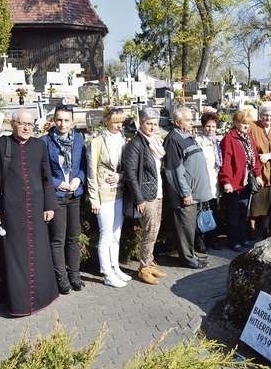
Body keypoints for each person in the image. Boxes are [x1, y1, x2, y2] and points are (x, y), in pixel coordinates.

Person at [0, 109, 59, 316]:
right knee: (15, 257)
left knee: (39, 254)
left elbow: (46, 178)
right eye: (22, 124)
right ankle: (18, 303)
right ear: (12, 124)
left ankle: (42, 298)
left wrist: (49, 205)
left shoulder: (39, 145)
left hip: (36, 210)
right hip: (11, 210)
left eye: (30, 125)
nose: (27, 128)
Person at [41, 105, 86, 294]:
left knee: (73, 238)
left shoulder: (78, 139)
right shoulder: (44, 142)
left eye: (67, 120)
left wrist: (78, 179)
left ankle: (75, 275)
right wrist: (57, 182)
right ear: (53, 120)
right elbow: (41, 170)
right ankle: (62, 278)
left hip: (74, 195)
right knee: (58, 239)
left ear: (72, 122)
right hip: (57, 196)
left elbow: (84, 165)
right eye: (59, 119)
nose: (62, 124)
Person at [163, 107, 214, 268]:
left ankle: (192, 254)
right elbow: (175, 171)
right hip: (186, 196)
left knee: (190, 227)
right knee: (185, 227)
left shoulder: (186, 136)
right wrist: (185, 193)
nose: (192, 122)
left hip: (194, 194)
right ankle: (187, 258)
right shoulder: (173, 140)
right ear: (178, 122)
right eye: (188, 120)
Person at [87, 107, 132, 288]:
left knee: (116, 233)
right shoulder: (97, 141)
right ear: (106, 121)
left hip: (119, 191)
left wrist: (121, 176)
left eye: (120, 121)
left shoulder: (122, 140)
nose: (118, 125)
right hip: (103, 193)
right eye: (115, 122)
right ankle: (106, 273)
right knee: (106, 234)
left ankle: (115, 267)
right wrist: (94, 198)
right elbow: (91, 170)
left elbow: (125, 168)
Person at [122, 108, 167, 284]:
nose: (152, 127)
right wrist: (139, 198)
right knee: (149, 231)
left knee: (155, 229)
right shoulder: (136, 144)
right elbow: (131, 173)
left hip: (158, 192)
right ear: (141, 123)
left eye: (155, 124)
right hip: (146, 196)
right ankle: (143, 269)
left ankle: (149, 262)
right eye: (149, 123)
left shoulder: (154, 141)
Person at [219, 109, 263, 252]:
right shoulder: (229, 138)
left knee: (243, 211)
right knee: (233, 213)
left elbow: (254, 158)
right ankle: (233, 241)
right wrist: (226, 181)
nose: (246, 126)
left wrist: (257, 174)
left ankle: (242, 238)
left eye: (248, 123)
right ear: (236, 123)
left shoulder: (248, 138)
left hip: (245, 181)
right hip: (233, 182)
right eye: (244, 123)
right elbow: (225, 162)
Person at [250, 101, 271, 239]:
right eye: (265, 115)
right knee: (255, 203)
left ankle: (265, 228)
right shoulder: (253, 127)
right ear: (260, 115)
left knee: (269, 203)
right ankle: (252, 229)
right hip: (257, 171)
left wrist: (269, 156)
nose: (268, 118)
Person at [194, 112, 222, 249]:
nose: (210, 129)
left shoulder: (217, 142)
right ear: (202, 127)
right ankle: (200, 242)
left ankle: (212, 239)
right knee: (202, 211)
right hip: (202, 182)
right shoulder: (198, 142)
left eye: (213, 126)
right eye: (207, 126)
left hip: (214, 181)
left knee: (213, 210)